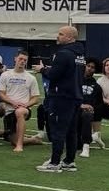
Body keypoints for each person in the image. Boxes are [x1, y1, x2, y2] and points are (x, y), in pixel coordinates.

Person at [36, 26, 84, 173]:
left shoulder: (64, 53)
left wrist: (42, 69)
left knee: (58, 130)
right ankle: (69, 161)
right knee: (71, 131)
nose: (58, 36)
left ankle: (55, 163)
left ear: (70, 37)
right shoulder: (80, 55)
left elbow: (54, 75)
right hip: (75, 96)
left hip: (61, 97)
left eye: (61, 34)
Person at [0, 51, 41, 152]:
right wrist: (12, 102)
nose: (22, 61)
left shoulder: (31, 78)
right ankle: (32, 139)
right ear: (15, 58)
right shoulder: (5, 75)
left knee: (19, 111)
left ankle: (19, 146)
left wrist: (25, 105)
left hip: (24, 110)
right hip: (9, 110)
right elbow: (1, 94)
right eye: (20, 59)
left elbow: (35, 98)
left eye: (25, 60)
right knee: (12, 140)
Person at [77, 57, 103, 158]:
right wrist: (80, 105)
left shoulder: (97, 87)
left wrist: (91, 108)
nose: (89, 69)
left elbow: (98, 105)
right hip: (74, 111)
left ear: (95, 70)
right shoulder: (75, 81)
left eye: (92, 67)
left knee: (87, 114)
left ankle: (86, 146)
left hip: (86, 114)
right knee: (75, 145)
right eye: (88, 66)